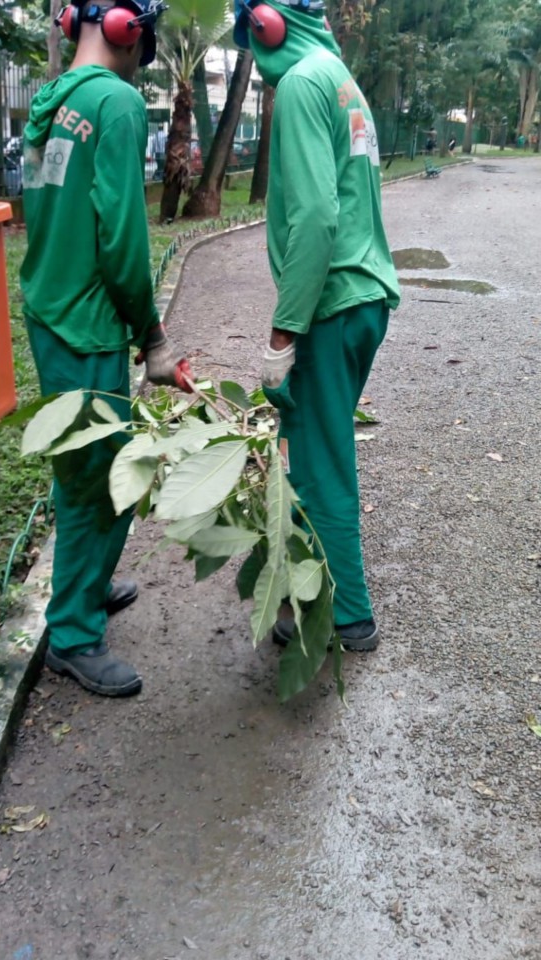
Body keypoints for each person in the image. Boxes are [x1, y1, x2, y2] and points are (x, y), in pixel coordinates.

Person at [20, 0, 189, 697]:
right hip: (87, 319)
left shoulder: (51, 98)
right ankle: (73, 635)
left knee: (82, 468)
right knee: (101, 483)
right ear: (131, 30)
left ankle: (84, 586)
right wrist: (152, 336)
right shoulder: (116, 103)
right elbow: (122, 239)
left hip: (47, 304)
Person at [233, 0, 400, 652]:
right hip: (366, 299)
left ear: (266, 23)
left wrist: (283, 332)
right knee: (315, 450)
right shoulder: (338, 76)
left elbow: (314, 219)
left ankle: (347, 614)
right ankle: (303, 593)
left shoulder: (302, 82)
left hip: (330, 308)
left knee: (321, 460)